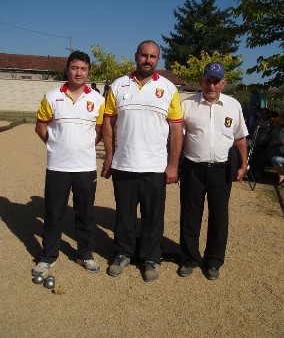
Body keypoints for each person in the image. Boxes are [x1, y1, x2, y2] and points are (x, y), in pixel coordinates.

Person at [101, 40, 183, 282]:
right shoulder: (119, 85)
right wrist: (109, 155)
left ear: (158, 60)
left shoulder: (168, 88)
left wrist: (173, 165)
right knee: (124, 215)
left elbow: (176, 131)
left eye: (153, 56)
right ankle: (123, 253)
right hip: (124, 164)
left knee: (152, 216)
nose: (148, 60)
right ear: (136, 56)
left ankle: (151, 257)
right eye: (144, 55)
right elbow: (108, 122)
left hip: (155, 167)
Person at [32, 51, 105, 276]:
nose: (79, 72)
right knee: (54, 214)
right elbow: (40, 127)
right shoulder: (52, 96)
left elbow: (100, 131)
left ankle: (85, 254)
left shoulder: (97, 99)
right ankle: (48, 256)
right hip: (58, 167)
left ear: (88, 72)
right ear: (67, 69)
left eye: (83, 69)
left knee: (85, 214)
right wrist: (55, 144)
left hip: (85, 168)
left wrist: (82, 147)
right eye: (75, 68)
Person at [179, 62, 248, 280]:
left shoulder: (233, 105)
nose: (212, 85)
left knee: (219, 217)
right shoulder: (187, 105)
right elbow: (178, 138)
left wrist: (244, 165)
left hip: (222, 170)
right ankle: (189, 258)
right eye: (208, 80)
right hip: (193, 168)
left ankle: (213, 261)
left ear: (223, 84)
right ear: (202, 81)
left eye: (216, 81)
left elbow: (240, 138)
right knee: (190, 215)